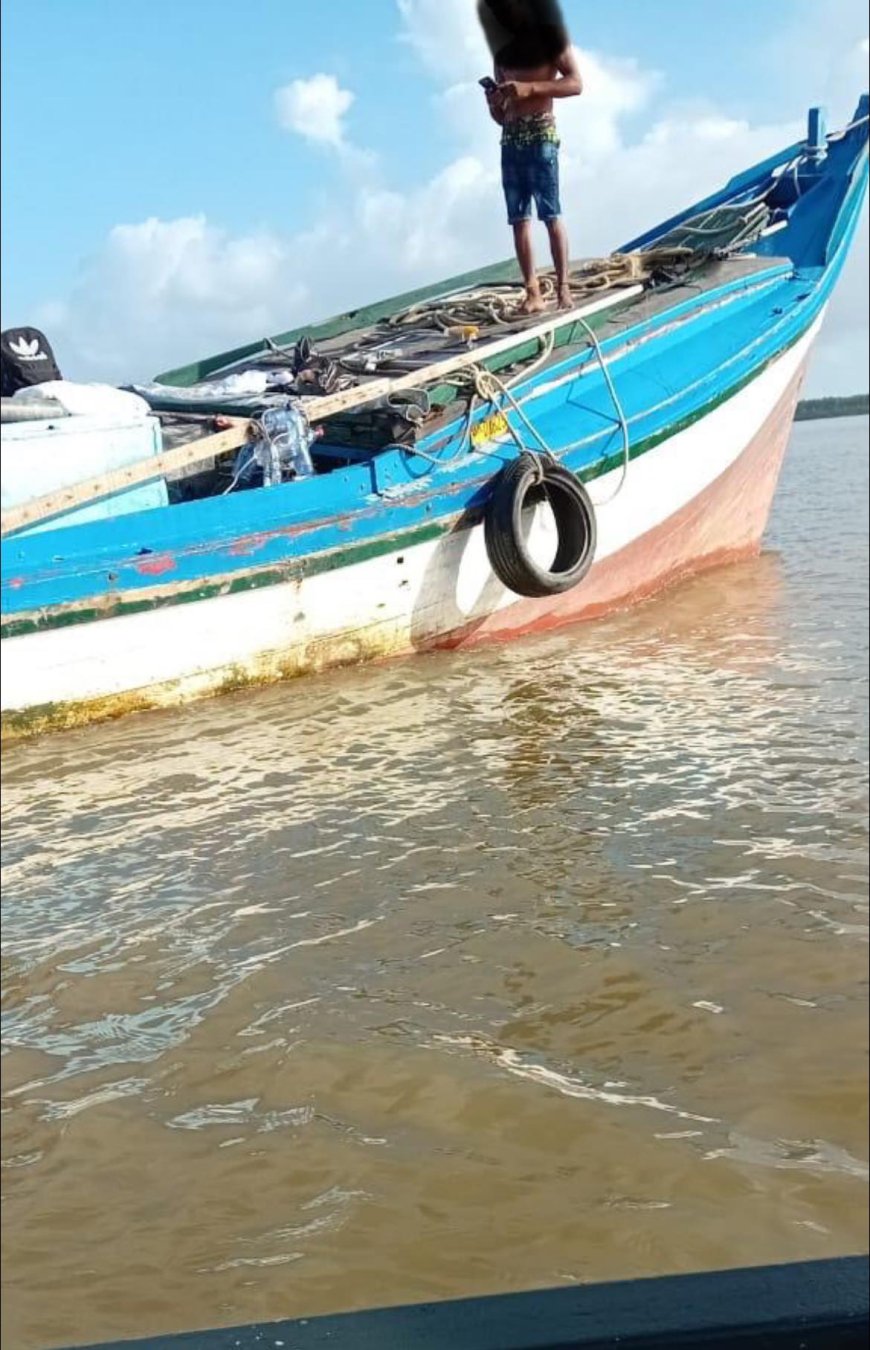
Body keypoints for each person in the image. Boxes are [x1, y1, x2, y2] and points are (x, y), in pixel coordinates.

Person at [478, 0, 582, 313]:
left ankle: (563, 288)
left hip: (540, 134)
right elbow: (500, 115)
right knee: (518, 218)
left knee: (550, 213)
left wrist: (530, 88)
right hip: (511, 137)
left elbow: (575, 83)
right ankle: (533, 292)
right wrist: (494, 103)